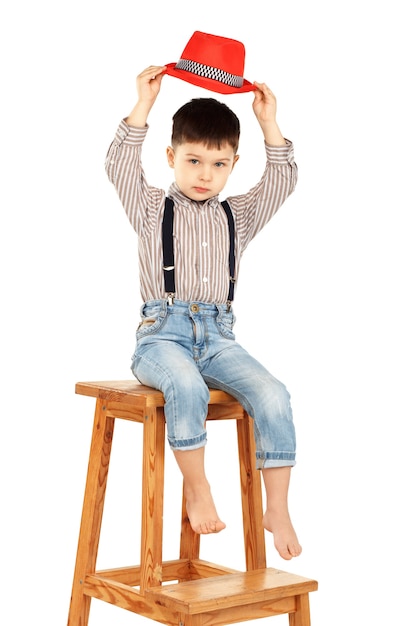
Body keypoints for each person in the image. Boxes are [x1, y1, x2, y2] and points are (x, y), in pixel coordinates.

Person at [105, 64, 302, 560]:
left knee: (274, 395)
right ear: (172, 157)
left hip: (218, 338)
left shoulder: (238, 215)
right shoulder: (151, 209)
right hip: (161, 336)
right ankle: (197, 487)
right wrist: (143, 104)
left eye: (218, 165)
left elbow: (282, 179)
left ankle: (275, 506)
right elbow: (119, 164)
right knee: (186, 387)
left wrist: (267, 121)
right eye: (193, 161)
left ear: (233, 165)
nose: (204, 175)